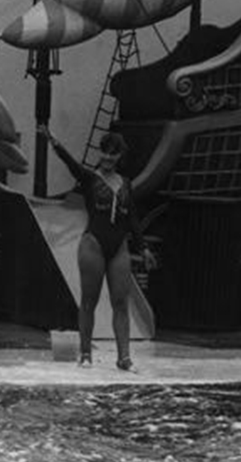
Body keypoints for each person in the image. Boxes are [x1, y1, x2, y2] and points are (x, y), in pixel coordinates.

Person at [39, 126, 156, 372]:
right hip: (93, 244)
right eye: (105, 153)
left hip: (119, 247)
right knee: (89, 301)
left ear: (119, 156)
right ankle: (85, 353)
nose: (108, 158)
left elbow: (132, 218)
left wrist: (143, 247)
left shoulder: (125, 183)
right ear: (100, 153)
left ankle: (124, 357)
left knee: (120, 302)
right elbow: (72, 165)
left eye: (114, 154)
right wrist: (54, 143)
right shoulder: (90, 178)